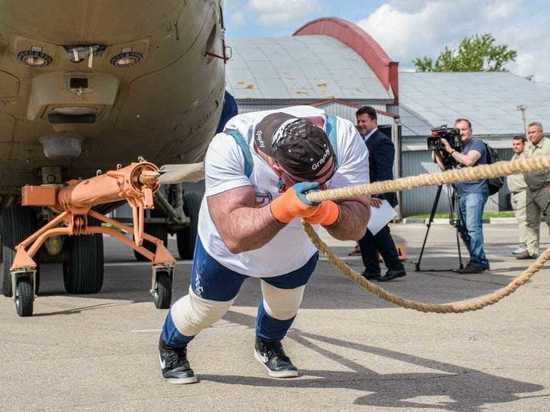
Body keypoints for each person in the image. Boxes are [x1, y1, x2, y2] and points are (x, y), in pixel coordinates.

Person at [158, 106, 371, 384]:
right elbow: (235, 236)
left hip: (294, 248)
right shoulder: (230, 147)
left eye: (327, 177)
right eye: (313, 181)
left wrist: (327, 212)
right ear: (274, 165)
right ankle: (171, 347)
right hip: (228, 253)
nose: (324, 185)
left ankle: (268, 345)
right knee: (205, 310)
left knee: (284, 307)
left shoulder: (343, 136)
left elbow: (357, 225)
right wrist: (281, 209)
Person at [355, 106, 406, 281]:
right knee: (364, 233)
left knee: (380, 233)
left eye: (364, 121)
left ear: (374, 121)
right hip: (365, 195)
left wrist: (375, 194)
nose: (361, 124)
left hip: (378, 196)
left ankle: (395, 267)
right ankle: (371, 269)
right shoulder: (363, 140)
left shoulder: (381, 141)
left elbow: (384, 172)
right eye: (359, 121)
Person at [435, 118, 490, 273]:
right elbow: (444, 169)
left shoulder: (477, 144)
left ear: (470, 130)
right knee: (462, 228)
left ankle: (478, 261)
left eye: (464, 129)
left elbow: (468, 161)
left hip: (476, 190)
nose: (461, 133)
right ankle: (479, 259)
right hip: (460, 192)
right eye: (458, 130)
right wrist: (437, 150)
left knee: (473, 227)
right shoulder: (456, 146)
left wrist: (450, 150)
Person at [522, 121, 550, 259]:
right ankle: (532, 250)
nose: (530, 135)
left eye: (533, 132)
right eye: (529, 133)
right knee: (531, 221)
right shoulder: (527, 147)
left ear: (541, 132)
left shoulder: (549, 145)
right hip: (530, 189)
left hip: (546, 188)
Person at [506, 136, 529, 257]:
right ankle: (528, 246)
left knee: (523, 220)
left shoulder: (526, 156)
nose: (515, 146)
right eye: (514, 144)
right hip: (514, 193)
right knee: (521, 220)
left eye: (518, 144)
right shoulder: (515, 156)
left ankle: (524, 246)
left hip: (523, 192)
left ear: (524, 144)